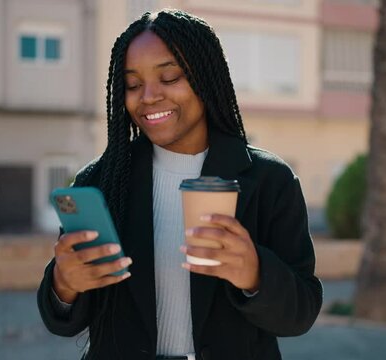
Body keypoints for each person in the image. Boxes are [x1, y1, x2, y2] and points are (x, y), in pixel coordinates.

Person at [37, 9, 322, 360]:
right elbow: (60, 319)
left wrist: (256, 275)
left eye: (169, 77)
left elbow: (302, 312)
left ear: (205, 77)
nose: (149, 96)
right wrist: (64, 287)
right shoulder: (99, 182)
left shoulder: (269, 180)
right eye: (133, 84)